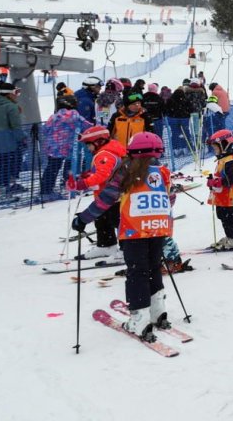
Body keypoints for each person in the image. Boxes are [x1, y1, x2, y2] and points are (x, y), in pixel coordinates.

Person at [72, 132, 173, 341]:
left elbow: (105, 199)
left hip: (134, 229)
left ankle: (140, 320)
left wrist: (83, 219)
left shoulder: (127, 170)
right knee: (153, 267)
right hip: (159, 228)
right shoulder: (163, 171)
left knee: (137, 272)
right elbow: (170, 198)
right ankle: (158, 312)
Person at [66, 126, 127, 259]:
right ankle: (106, 245)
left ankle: (125, 249)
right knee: (102, 219)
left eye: (89, 145)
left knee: (118, 221)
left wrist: (82, 184)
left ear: (98, 142)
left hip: (113, 196)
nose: (88, 148)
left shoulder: (105, 153)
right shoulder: (109, 151)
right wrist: (89, 174)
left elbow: (102, 175)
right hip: (107, 194)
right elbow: (108, 170)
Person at [41, 94, 92, 200]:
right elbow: (85, 125)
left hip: (52, 147)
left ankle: (46, 190)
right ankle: (66, 186)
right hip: (66, 146)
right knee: (68, 166)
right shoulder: (74, 115)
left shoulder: (54, 116)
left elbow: (45, 130)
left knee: (51, 168)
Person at [206, 130, 233, 250]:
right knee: (222, 215)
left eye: (216, 147)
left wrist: (217, 182)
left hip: (231, 195)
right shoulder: (224, 159)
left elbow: (231, 178)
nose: (215, 150)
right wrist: (213, 182)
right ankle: (230, 237)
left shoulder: (232, 160)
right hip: (222, 196)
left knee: (231, 215)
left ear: (224, 144)